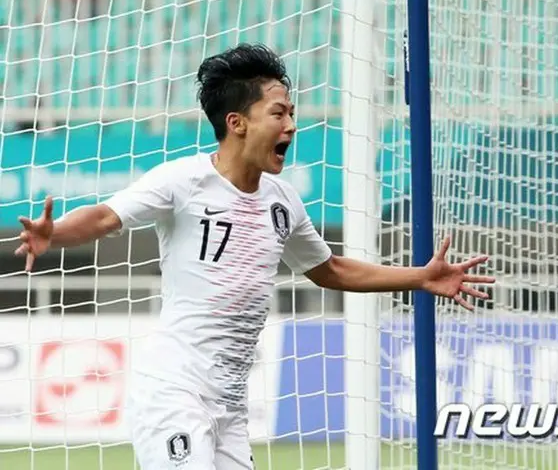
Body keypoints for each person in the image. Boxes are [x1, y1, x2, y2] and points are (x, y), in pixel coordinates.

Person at [14, 43, 495, 470]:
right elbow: (105, 217)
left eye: (291, 114)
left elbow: (329, 269)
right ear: (237, 123)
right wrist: (52, 234)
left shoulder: (282, 201)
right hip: (174, 390)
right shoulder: (181, 181)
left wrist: (419, 277)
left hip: (230, 403)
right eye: (279, 113)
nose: (291, 125)